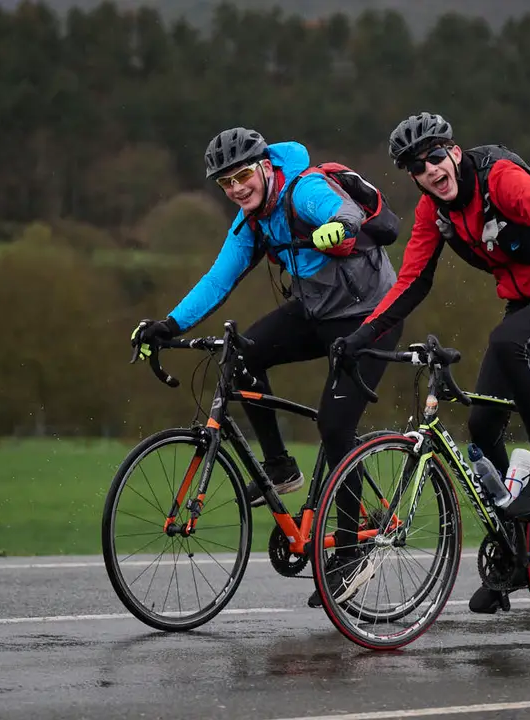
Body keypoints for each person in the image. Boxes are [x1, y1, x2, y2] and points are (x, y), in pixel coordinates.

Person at [332, 112, 530, 613]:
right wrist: (361, 336)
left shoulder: (498, 177)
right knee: (481, 427)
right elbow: (411, 281)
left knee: (508, 343)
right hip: (526, 304)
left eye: (436, 157)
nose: (431, 170)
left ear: (454, 152)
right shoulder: (433, 212)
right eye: (418, 167)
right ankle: (514, 556)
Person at [130, 127, 402, 604]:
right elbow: (218, 280)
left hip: (369, 317)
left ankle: (351, 548)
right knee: (242, 354)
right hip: (316, 311)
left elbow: (346, 214)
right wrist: (168, 325)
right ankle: (279, 468)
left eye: (242, 176)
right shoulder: (251, 222)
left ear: (265, 167)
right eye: (226, 183)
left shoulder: (304, 190)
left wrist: (338, 228)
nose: (236, 188)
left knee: (335, 426)